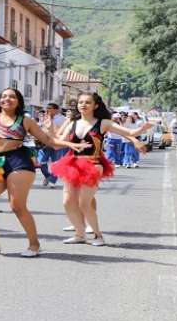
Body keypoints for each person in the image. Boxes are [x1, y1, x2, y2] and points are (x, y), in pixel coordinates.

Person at [0, 88, 89, 257]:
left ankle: (34, 245)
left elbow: (48, 140)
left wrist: (70, 145)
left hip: (19, 162)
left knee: (17, 206)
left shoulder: (25, 120)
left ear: (18, 101)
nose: (7, 99)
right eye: (4, 96)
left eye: (12, 97)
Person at [51, 93, 152, 246]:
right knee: (67, 202)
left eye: (87, 102)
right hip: (71, 164)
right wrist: (49, 130)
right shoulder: (73, 122)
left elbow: (129, 133)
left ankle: (98, 236)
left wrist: (142, 129)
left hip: (92, 165)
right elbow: (58, 143)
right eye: (81, 102)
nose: (83, 105)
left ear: (95, 106)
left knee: (84, 203)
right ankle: (80, 234)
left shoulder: (103, 123)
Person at [37, 103, 67, 187]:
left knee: (56, 163)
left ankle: (52, 181)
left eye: (50, 108)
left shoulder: (61, 119)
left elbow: (63, 132)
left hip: (56, 144)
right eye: (47, 108)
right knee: (40, 162)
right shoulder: (44, 117)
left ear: (56, 110)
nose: (48, 109)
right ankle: (48, 176)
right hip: (44, 144)